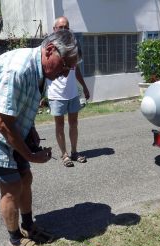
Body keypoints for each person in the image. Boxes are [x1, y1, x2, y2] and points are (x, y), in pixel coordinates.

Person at [0, 30, 80, 246]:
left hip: (8, 129)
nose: (64, 74)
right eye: (64, 66)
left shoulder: (42, 70)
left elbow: (23, 106)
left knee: (26, 177)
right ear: (50, 50)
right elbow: (2, 123)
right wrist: (31, 156)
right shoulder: (19, 69)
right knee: (12, 186)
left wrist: (30, 132)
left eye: (69, 70)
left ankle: (29, 226)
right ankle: (15, 241)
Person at [47, 16, 90, 167]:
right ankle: (64, 154)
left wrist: (84, 87)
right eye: (61, 27)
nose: (64, 30)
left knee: (74, 123)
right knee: (59, 125)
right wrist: (40, 94)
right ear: (54, 29)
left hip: (72, 93)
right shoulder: (49, 46)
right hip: (56, 94)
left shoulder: (72, 45)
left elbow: (76, 68)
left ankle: (74, 152)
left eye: (66, 27)